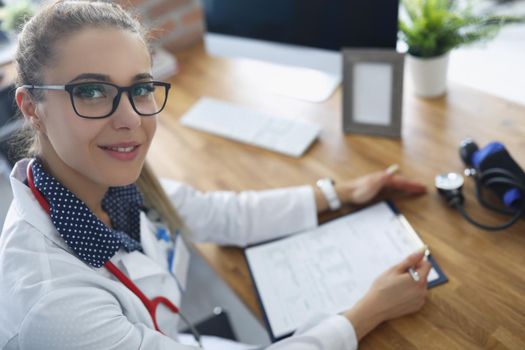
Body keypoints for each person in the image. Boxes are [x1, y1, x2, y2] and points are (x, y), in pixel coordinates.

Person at [0, 1, 431, 349]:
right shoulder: (55, 307)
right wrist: (365, 314)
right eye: (91, 92)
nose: (130, 117)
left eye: (141, 88)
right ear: (31, 108)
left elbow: (218, 213)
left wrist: (341, 193)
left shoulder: (108, 184)